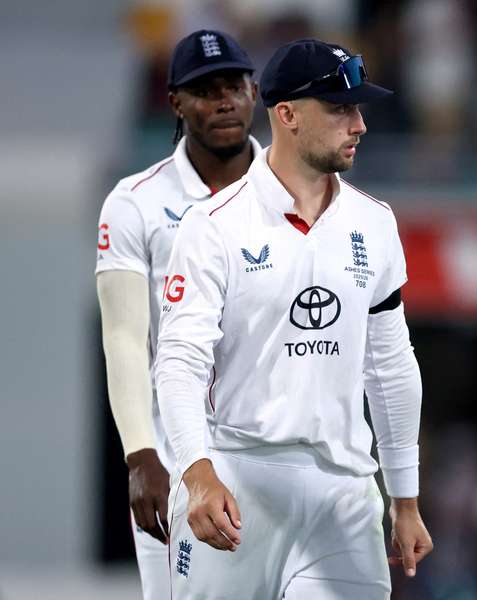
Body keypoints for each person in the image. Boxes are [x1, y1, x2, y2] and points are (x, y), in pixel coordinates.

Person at [155, 39, 433, 599]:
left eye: (359, 109)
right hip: (236, 479)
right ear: (286, 115)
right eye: (340, 109)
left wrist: (405, 498)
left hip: (346, 492)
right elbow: (179, 362)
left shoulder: (375, 222)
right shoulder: (213, 226)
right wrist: (197, 472)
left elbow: (391, 366)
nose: (359, 125)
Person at [96, 29, 259, 600]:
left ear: (255, 93)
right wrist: (140, 454)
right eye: (206, 90)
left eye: (234, 86)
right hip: (178, 456)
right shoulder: (135, 202)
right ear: (176, 103)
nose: (224, 101)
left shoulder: (295, 190)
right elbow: (123, 337)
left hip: (279, 454)